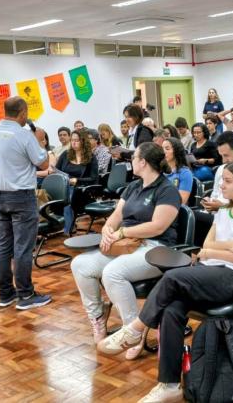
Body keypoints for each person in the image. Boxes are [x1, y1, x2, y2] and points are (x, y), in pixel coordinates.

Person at [97, 160, 233, 402]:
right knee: (172, 308)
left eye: (227, 181)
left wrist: (213, 251)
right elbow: (205, 247)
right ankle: (169, 384)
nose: (221, 185)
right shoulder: (222, 212)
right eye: (222, 180)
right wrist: (228, 246)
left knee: (172, 277)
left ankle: (136, 329)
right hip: (209, 272)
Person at [70, 142, 181, 358]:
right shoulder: (133, 187)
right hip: (127, 244)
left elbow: (158, 227)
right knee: (80, 264)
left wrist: (122, 232)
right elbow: (116, 216)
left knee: (113, 272)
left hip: (155, 248)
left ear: (143, 162)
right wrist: (107, 230)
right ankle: (98, 316)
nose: (131, 161)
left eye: (134, 158)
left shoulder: (167, 190)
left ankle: (132, 332)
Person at [0, 96, 51, 310]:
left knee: (3, 246)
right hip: (21, 197)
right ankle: (25, 295)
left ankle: (5, 294)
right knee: (22, 247)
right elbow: (43, 163)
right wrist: (39, 140)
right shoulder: (24, 135)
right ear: (23, 113)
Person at [57, 129, 99, 235]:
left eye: (77, 140)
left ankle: (67, 230)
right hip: (64, 186)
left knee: (68, 196)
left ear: (83, 141)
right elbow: (56, 171)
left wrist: (77, 181)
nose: (74, 143)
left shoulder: (91, 157)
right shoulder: (65, 155)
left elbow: (94, 179)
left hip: (82, 190)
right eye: (72, 140)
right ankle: (56, 226)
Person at [162, 137, 194, 205]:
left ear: (177, 151)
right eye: (162, 149)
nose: (163, 152)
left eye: (167, 149)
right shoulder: (159, 170)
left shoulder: (185, 173)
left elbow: (181, 201)